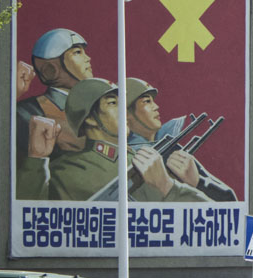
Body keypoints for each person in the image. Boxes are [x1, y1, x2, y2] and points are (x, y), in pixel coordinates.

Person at [16, 78, 210, 202]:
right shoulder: (65, 172)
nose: (123, 110)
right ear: (90, 118)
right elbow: (30, 221)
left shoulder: (151, 164)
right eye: (112, 103)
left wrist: (189, 185)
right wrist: (36, 161)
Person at [124, 77, 237, 201]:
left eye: (152, 101)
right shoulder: (123, 157)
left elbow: (229, 200)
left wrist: (197, 182)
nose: (156, 106)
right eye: (146, 102)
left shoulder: (170, 148)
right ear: (126, 113)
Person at [15, 28, 93, 166]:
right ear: (52, 69)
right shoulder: (27, 112)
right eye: (77, 52)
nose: (88, 59)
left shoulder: (95, 106)